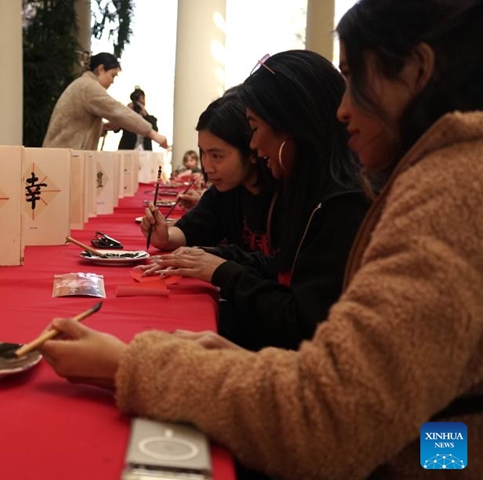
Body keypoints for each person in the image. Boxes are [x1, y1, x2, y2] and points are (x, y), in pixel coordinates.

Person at [39, 1, 483, 478]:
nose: (343, 109)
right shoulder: (422, 179)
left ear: (416, 70)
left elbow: (331, 418)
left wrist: (131, 367)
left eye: (354, 77)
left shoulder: (450, 193)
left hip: (435, 456)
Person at [147, 50, 369, 351]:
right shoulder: (306, 191)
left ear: (291, 124)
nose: (253, 144)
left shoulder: (341, 205)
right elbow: (280, 268)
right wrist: (210, 257)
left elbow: (304, 326)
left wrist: (221, 270)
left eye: (254, 128)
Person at [141, 91, 277, 259]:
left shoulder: (285, 196)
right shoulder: (225, 191)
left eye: (217, 156)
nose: (207, 167)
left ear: (252, 150)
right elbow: (193, 228)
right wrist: (164, 238)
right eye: (203, 153)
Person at [42, 53, 168, 150]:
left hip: (61, 154)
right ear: (101, 69)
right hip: (63, 157)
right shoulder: (89, 86)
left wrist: (103, 127)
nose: (112, 81)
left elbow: (77, 125)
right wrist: (152, 133)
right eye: (112, 75)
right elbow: (118, 111)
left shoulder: (82, 84)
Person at [117, 87, 158, 151]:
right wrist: (125, 111)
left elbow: (155, 131)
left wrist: (145, 115)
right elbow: (115, 129)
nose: (140, 104)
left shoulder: (151, 119)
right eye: (138, 102)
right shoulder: (127, 117)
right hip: (128, 151)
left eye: (143, 100)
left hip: (145, 153)